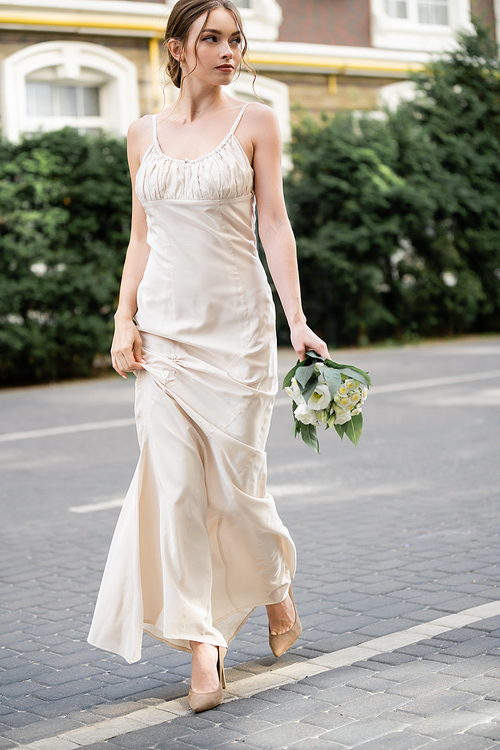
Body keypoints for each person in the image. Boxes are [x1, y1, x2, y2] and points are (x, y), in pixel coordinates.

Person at [87, 0, 330, 714]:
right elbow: (142, 238)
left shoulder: (256, 122)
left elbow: (275, 226)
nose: (229, 50)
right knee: (180, 497)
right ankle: (204, 651)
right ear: (177, 49)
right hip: (164, 338)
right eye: (212, 38)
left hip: (239, 332)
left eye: (235, 39)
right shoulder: (140, 134)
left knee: (238, 491)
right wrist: (122, 318)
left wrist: (298, 320)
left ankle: (275, 588)